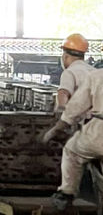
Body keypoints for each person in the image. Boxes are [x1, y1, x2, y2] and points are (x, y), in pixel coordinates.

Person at [42, 68, 103, 210]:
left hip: (99, 132)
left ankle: (66, 193)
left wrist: (55, 130)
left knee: (72, 151)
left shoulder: (97, 75)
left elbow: (76, 107)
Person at [57, 33, 93, 112]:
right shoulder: (95, 71)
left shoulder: (69, 72)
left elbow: (64, 92)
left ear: (66, 56)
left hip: (80, 117)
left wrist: (61, 110)